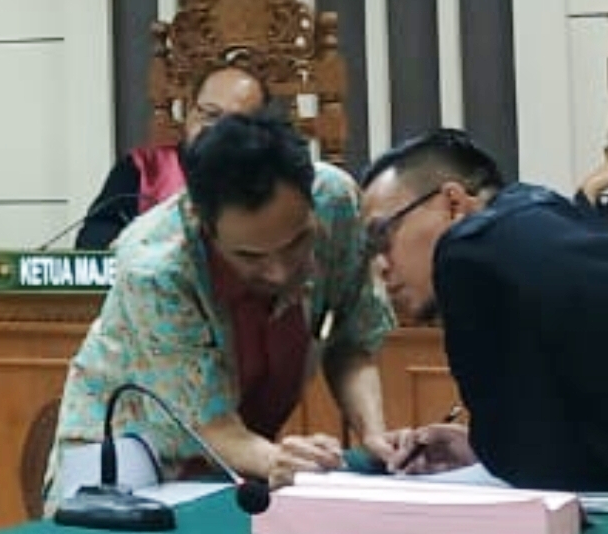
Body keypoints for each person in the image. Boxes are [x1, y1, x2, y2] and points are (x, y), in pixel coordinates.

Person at [43, 110, 397, 515]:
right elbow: (210, 425)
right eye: (250, 256)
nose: (280, 272)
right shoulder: (155, 267)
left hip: (243, 458)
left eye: (297, 243)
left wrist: (374, 435)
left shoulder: (335, 201)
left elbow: (353, 341)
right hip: (129, 467)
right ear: (202, 223)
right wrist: (278, 460)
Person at [361, 127, 608, 491]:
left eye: (383, 235)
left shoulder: (467, 252)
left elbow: (536, 471)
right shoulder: (546, 215)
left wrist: (497, 447)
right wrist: (481, 446)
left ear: (453, 204)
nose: (380, 266)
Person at [74, 63, 269, 249]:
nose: (217, 130)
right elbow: (94, 238)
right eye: (210, 114)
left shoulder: (271, 177)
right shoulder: (142, 168)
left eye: (234, 122)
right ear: (189, 111)